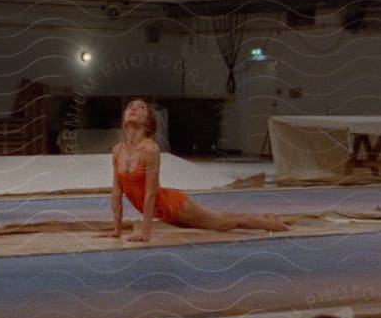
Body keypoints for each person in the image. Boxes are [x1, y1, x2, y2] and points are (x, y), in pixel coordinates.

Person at [103, 98, 287, 242]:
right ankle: (263, 218)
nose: (133, 108)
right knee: (220, 219)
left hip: (175, 206)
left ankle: (276, 226)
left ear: (148, 122)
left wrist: (146, 233)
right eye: (130, 106)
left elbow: (151, 194)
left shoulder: (149, 149)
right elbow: (116, 194)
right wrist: (116, 229)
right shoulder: (117, 150)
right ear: (123, 117)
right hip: (165, 213)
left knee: (222, 224)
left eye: (141, 107)